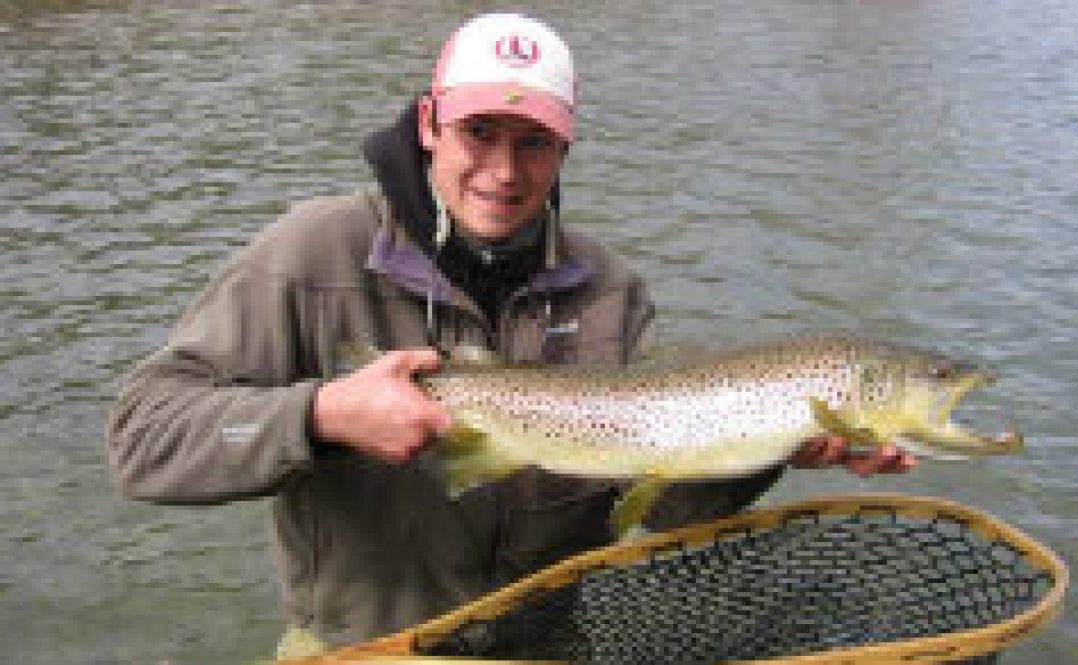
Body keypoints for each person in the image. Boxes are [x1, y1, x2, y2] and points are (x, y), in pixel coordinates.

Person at [104, 12, 914, 658]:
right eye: (479, 133)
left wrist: (772, 447)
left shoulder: (612, 292)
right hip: (363, 649)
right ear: (429, 123)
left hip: (553, 648)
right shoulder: (314, 252)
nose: (505, 169)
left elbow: (660, 507)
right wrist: (319, 417)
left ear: (565, 147)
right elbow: (143, 438)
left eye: (535, 143)